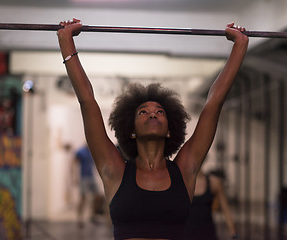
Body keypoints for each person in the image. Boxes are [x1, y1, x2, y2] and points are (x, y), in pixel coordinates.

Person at [57, 18, 248, 240]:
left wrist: (240, 45)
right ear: (132, 130)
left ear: (170, 130)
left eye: (159, 111)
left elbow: (214, 102)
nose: (152, 114)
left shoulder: (185, 170)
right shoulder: (115, 171)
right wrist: (66, 43)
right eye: (143, 112)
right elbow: (87, 101)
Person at [184, 170, 238, 240]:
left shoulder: (214, 183)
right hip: (186, 235)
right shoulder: (180, 182)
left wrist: (235, 235)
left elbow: (226, 211)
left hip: (208, 234)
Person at [72, 144, 101, 228]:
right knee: (83, 198)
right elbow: (73, 163)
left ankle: (93, 216)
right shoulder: (80, 151)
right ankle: (79, 219)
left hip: (91, 177)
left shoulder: (92, 151)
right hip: (83, 177)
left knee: (98, 196)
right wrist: (74, 176)